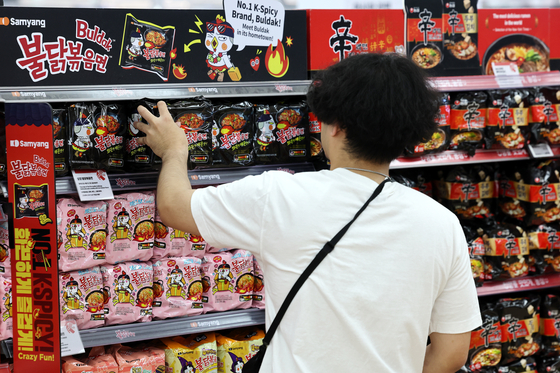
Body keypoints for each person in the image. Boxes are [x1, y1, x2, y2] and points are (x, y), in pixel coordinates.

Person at [134, 52, 482, 373]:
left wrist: (175, 150)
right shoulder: (442, 224)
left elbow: (175, 207)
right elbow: (451, 353)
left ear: (336, 126)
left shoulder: (279, 195)